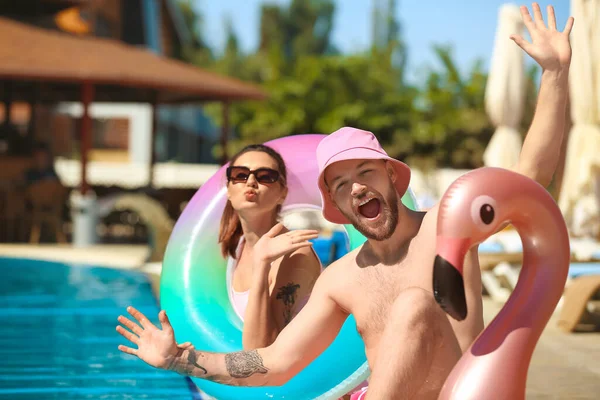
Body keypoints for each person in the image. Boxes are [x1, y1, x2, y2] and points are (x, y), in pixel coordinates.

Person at [116, 4, 572, 398]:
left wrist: (553, 74)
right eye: (340, 184)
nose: (355, 187)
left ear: (392, 177)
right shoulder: (342, 280)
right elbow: (274, 362)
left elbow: (528, 180)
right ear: (336, 204)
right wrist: (179, 359)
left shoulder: (446, 228)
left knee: (415, 304)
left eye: (366, 172)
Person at [194, 143, 323, 351]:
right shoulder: (234, 249)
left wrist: (262, 264)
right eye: (240, 174)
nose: (251, 181)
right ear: (228, 189)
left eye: (265, 176)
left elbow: (263, 351)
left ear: (283, 193)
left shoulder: (295, 254)